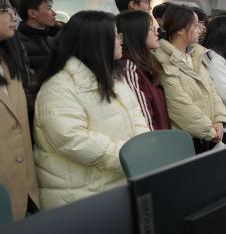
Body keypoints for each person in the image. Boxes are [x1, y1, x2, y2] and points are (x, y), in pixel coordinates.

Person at [33, 11, 149, 209]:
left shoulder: (113, 77)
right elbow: (72, 139)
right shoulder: (59, 87)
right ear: (97, 42)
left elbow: (136, 116)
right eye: (116, 36)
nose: (121, 41)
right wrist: (129, 156)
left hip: (117, 184)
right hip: (80, 197)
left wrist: (144, 148)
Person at [154, 4, 226, 153]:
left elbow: (212, 91)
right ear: (181, 30)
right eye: (195, 25)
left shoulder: (196, 54)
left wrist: (219, 120)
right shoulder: (163, 59)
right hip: (187, 141)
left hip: (209, 135)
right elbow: (179, 104)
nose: (200, 29)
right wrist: (210, 130)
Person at [0, 0, 39, 219]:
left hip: (22, 190)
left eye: (14, 10)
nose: (14, 16)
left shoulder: (9, 62)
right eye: (5, 10)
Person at [117, 11, 169, 131]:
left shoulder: (149, 61)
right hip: (153, 138)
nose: (157, 33)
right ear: (136, 33)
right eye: (151, 29)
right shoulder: (129, 68)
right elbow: (143, 114)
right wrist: (156, 139)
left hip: (163, 134)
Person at [16, 0, 59, 75]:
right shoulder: (18, 43)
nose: (54, 13)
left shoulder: (53, 39)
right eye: (49, 9)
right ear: (32, 13)